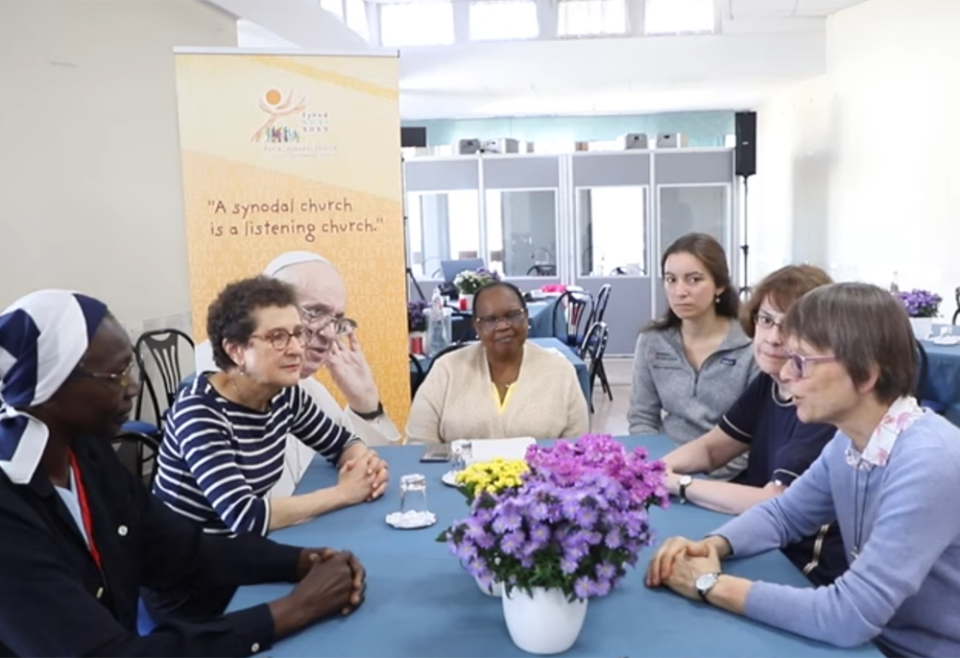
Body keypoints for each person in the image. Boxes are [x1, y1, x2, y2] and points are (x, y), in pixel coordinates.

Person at [0, 289, 366, 658]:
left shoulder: (86, 455)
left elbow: (183, 551)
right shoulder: (11, 515)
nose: (133, 387)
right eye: (115, 375)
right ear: (51, 392)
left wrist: (302, 559)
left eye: (131, 368)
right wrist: (294, 610)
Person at [646, 283, 960, 658]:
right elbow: (784, 514)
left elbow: (848, 615)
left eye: (802, 361)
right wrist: (712, 545)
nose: (787, 374)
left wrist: (710, 584)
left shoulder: (929, 461)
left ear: (866, 375)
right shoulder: (850, 442)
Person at [149, 277, 386, 621]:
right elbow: (247, 517)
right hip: (189, 583)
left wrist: (364, 463)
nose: (296, 348)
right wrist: (346, 492)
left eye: (297, 333)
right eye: (277, 337)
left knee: (351, 579)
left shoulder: (284, 393)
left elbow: (341, 443)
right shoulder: (199, 412)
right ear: (235, 350)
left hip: (239, 556)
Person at [660, 264, 845, 585]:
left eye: (789, 326)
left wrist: (679, 484)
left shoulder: (822, 406)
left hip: (801, 570)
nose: (773, 338)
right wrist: (650, 471)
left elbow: (776, 502)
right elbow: (713, 447)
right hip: (764, 542)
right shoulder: (768, 383)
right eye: (766, 320)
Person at [195, 251, 399, 498]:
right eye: (314, 312)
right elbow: (246, 514)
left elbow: (357, 461)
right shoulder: (207, 389)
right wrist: (342, 494)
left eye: (337, 319)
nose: (329, 333)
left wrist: (365, 406)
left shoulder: (299, 391)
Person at [628, 233, 757, 480]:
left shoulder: (750, 346)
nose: (680, 291)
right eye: (671, 280)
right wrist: (655, 468)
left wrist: (696, 479)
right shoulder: (653, 341)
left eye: (694, 280)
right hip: (665, 470)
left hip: (730, 477)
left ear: (719, 285)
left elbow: (755, 436)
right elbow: (642, 418)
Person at [406, 281, 589, 444]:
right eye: (490, 320)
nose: (502, 326)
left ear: (526, 317)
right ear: (476, 327)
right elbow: (418, 444)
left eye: (512, 315)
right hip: (455, 480)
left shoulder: (560, 372)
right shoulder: (446, 370)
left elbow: (577, 451)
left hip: (540, 481)